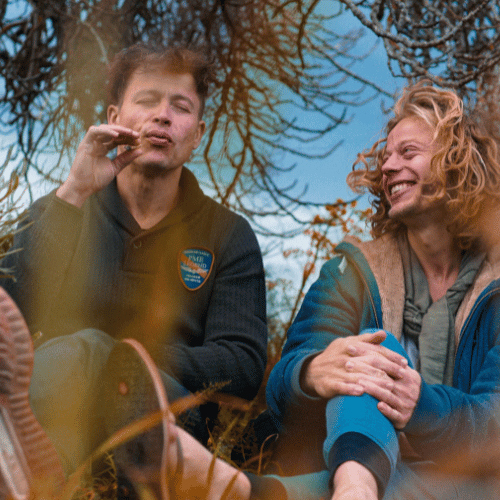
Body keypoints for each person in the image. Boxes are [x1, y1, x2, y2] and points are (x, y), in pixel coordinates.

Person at [0, 43, 267, 491]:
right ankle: (35, 474)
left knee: (96, 355)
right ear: (114, 116)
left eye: (180, 107)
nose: (163, 116)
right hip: (58, 401)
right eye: (146, 101)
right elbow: (8, 310)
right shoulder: (66, 207)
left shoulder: (228, 234)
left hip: (166, 420)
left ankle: (29, 478)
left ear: (198, 133)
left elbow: (242, 365)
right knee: (75, 359)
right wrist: (73, 192)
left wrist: (125, 358)